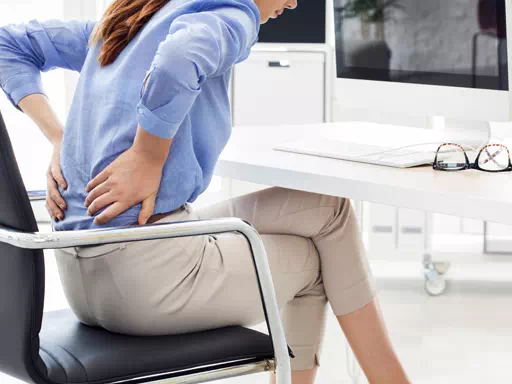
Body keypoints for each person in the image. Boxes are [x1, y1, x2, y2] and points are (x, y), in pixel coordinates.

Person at [0, 0, 411, 382]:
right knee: (314, 260)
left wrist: (60, 137)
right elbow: (181, 58)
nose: (294, 3)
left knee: (328, 209)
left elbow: (8, 43)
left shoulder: (130, 21)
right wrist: (148, 155)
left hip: (83, 276)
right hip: (145, 280)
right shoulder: (232, 13)